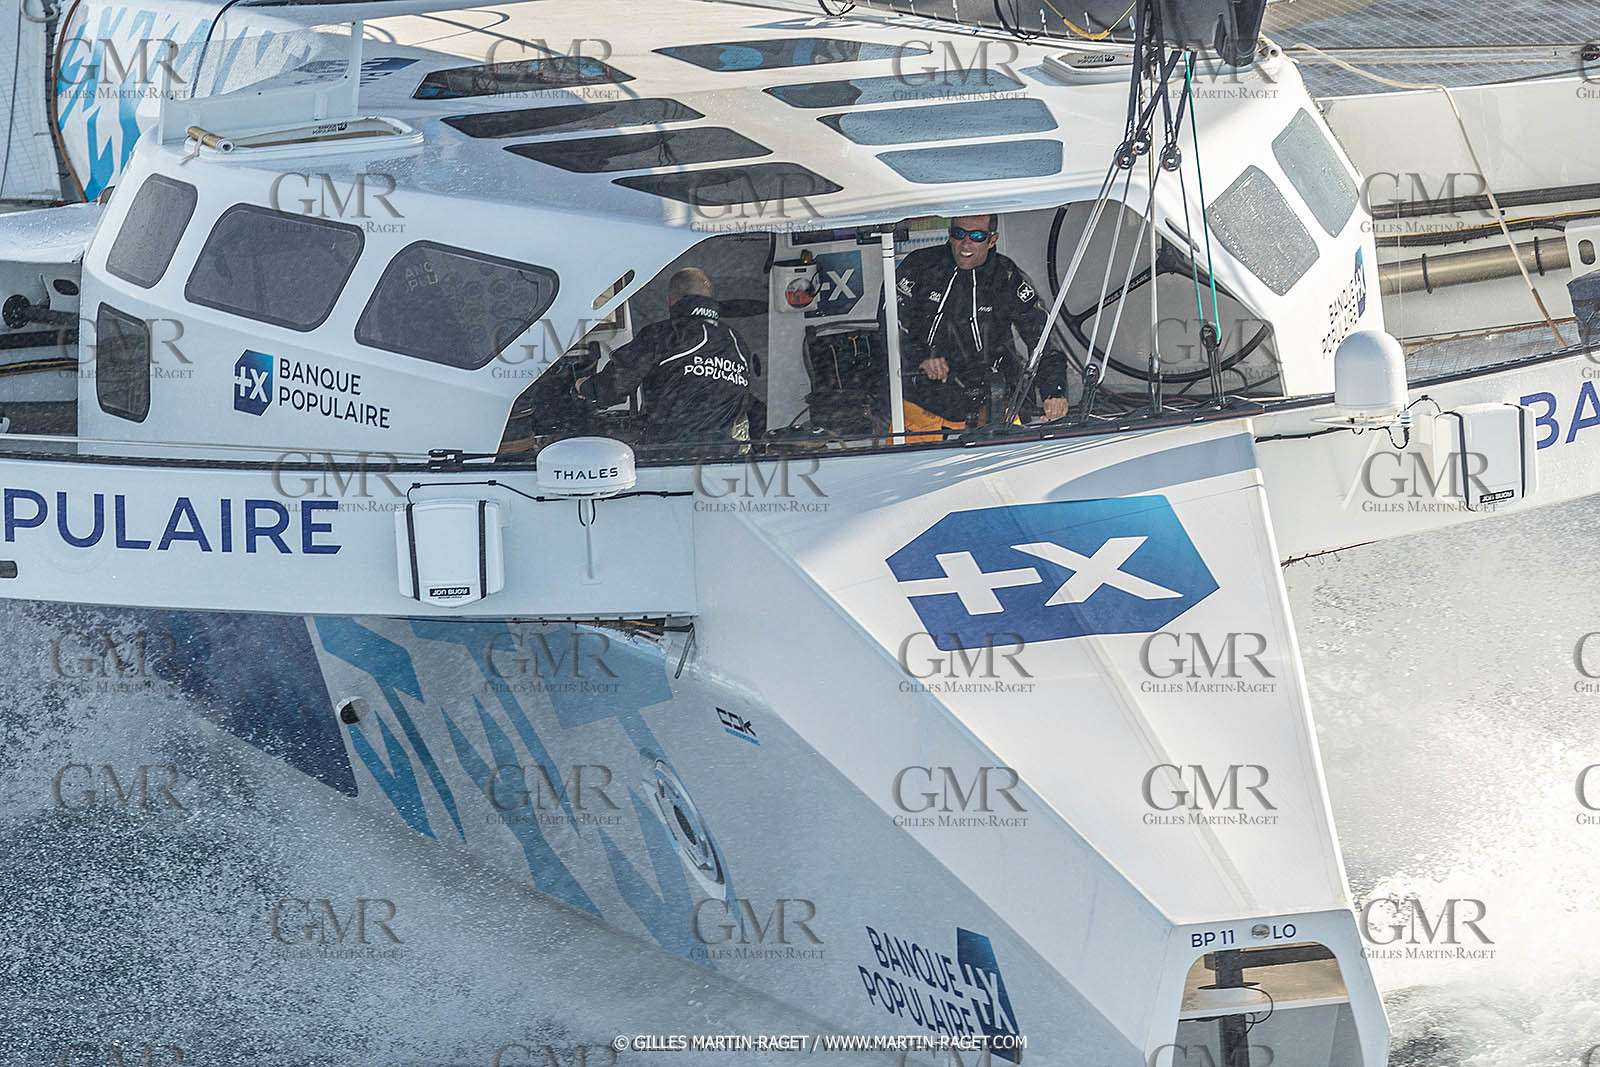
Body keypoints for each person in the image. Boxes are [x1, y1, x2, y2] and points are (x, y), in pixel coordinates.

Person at [893, 215, 1070, 441]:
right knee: (912, 470)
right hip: (926, 396)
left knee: (1007, 472)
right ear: (950, 233)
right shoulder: (921, 265)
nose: (966, 244)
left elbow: (1041, 336)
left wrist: (1054, 391)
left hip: (993, 397)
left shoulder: (1006, 276)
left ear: (992, 239)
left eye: (977, 236)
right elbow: (891, 319)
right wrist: (922, 356)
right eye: (959, 234)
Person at [577, 268, 757, 446]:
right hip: (727, 457)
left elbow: (618, 382)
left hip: (671, 455)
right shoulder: (737, 343)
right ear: (712, 300)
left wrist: (585, 387)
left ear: (671, 302)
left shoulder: (663, 335)